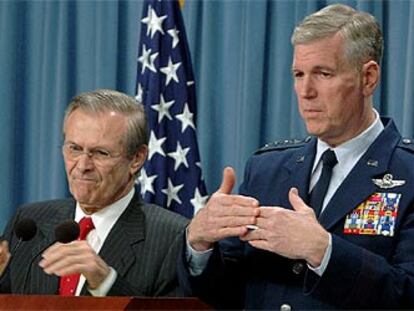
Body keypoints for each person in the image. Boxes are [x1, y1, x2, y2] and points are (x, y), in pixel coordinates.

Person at [179, 4, 414, 309]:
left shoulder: (407, 172)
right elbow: (227, 294)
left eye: (323, 73)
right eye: (298, 74)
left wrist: (323, 251)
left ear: (368, 78)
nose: (305, 91)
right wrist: (199, 243)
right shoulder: (267, 169)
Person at [0, 89, 189, 296]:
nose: (82, 165)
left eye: (100, 153)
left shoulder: (172, 237)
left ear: (136, 158)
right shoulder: (29, 223)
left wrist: (105, 282)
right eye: (74, 148)